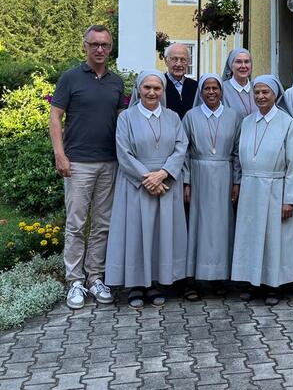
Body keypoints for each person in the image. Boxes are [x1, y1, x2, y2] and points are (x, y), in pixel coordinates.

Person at [50, 25, 125, 310]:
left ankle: (95, 277)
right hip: (78, 163)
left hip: (110, 162)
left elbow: (122, 121)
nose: (100, 50)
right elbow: (55, 117)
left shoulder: (116, 82)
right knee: (76, 223)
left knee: (103, 224)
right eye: (94, 44)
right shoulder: (70, 78)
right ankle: (75, 281)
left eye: (105, 45)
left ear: (110, 47)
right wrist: (60, 153)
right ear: (85, 46)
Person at [105, 70, 189, 309]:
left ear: (163, 91)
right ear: (138, 90)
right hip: (136, 184)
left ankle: (154, 283)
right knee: (136, 234)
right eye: (147, 88)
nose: (152, 92)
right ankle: (135, 285)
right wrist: (147, 178)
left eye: (157, 88)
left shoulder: (173, 117)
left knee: (160, 234)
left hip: (166, 183)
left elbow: (181, 147)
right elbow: (123, 152)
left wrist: (163, 174)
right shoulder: (127, 118)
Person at [231, 75, 293, 305]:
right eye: (257, 93)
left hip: (275, 188)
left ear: (276, 95)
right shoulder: (247, 121)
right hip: (251, 188)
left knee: (274, 239)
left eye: (266, 92)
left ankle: (274, 285)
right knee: (251, 237)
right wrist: (239, 183)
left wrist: (289, 199)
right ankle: (252, 282)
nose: (261, 97)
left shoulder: (287, 123)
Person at [182, 73, 242, 299]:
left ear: (221, 91)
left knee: (222, 227)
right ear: (200, 91)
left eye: (215, 88)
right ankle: (193, 279)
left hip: (225, 176)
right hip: (199, 175)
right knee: (198, 225)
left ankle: (219, 278)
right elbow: (184, 152)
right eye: (206, 88)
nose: (211, 92)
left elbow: (237, 152)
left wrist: (237, 180)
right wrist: (186, 182)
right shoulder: (191, 116)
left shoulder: (233, 116)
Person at [163, 43, 198, 119]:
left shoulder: (195, 86)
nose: (178, 64)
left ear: (188, 62)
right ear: (166, 61)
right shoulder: (159, 85)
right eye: (174, 59)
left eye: (183, 60)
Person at [221, 48, 254, 117]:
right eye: (238, 62)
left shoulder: (257, 88)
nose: (243, 66)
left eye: (247, 61)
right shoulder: (221, 89)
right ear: (231, 65)